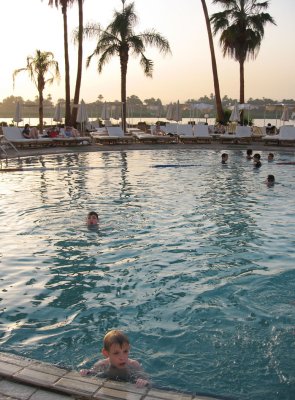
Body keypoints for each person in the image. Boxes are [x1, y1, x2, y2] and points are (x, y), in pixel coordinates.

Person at [80, 330, 149, 388]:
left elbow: (147, 381)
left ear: (129, 348)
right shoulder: (102, 365)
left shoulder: (134, 364)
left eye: (125, 351)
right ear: (106, 353)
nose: (122, 357)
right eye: (116, 353)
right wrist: (87, 372)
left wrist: (143, 381)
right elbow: (93, 374)